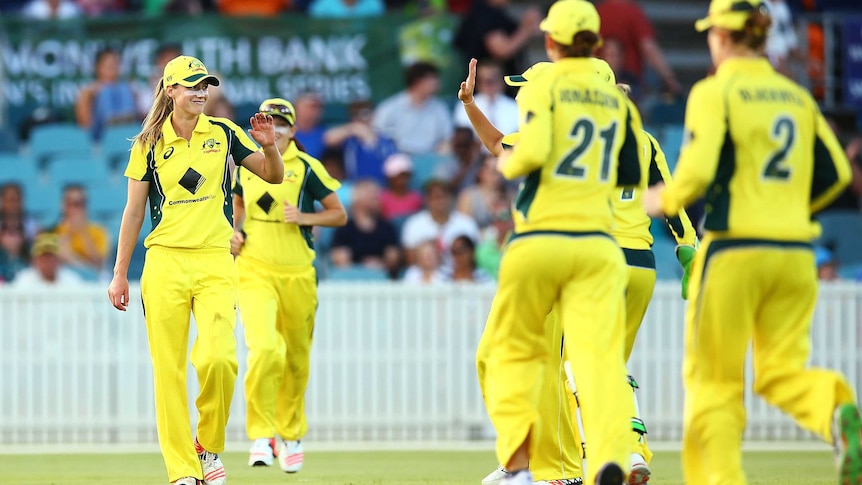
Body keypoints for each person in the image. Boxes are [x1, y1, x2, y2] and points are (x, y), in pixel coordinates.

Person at [644, 0, 862, 482]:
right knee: (781, 372)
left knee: (714, 383)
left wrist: (654, 201)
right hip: (795, 253)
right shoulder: (796, 96)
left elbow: (694, 174)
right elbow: (839, 174)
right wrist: (785, 208)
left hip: (734, 250)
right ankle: (833, 404)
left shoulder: (714, 90)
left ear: (721, 36)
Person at [464, 54, 698, 484]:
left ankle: (564, 465)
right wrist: (688, 250)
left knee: (560, 364)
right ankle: (620, 453)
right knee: (602, 366)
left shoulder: (556, 130)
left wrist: (473, 110)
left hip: (576, 255)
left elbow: (503, 152)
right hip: (635, 262)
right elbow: (669, 200)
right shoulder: (640, 139)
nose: (523, 96)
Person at [480, 2, 644, 484]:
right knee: (596, 363)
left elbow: (527, 152)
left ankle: (518, 467)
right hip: (599, 247)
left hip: (543, 239)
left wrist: (507, 165)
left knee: (501, 353)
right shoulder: (619, 105)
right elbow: (629, 174)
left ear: (550, 42)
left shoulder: (545, 89)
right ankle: (612, 458)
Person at [107, 55, 285, 485]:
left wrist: (269, 145)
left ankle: (206, 445)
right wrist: (119, 274)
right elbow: (133, 213)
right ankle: (181, 471)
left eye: (205, 84)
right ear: (170, 91)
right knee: (167, 371)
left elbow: (273, 177)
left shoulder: (223, 133)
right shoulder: (148, 143)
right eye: (191, 85)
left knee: (220, 358)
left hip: (214, 260)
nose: (201, 91)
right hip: (164, 262)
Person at [231, 97, 347, 474]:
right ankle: (261, 434)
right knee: (265, 349)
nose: (276, 129)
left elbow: (339, 214)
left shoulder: (307, 168)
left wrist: (304, 216)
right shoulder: (245, 164)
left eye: (282, 124)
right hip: (254, 270)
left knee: (295, 357)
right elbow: (236, 205)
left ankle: (291, 434)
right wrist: (233, 231)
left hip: (298, 273)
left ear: (293, 130)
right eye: (270, 122)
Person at [330, 179, 401, 278]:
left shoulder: (387, 228)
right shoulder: (344, 229)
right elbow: (341, 261)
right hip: (352, 282)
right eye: (373, 198)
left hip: (382, 281)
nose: (378, 201)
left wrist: (379, 265)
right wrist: (364, 268)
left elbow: (393, 259)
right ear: (358, 201)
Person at [53, 184, 110, 278]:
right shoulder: (55, 231)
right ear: (63, 206)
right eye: (70, 204)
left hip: (93, 280)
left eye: (79, 204)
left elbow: (99, 263)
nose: (74, 209)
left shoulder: (98, 232)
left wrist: (83, 232)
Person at [12, 233, 82, 288]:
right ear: (34, 260)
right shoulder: (24, 280)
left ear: (59, 260)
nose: (47, 262)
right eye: (43, 257)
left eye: (51, 257)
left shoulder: (71, 279)